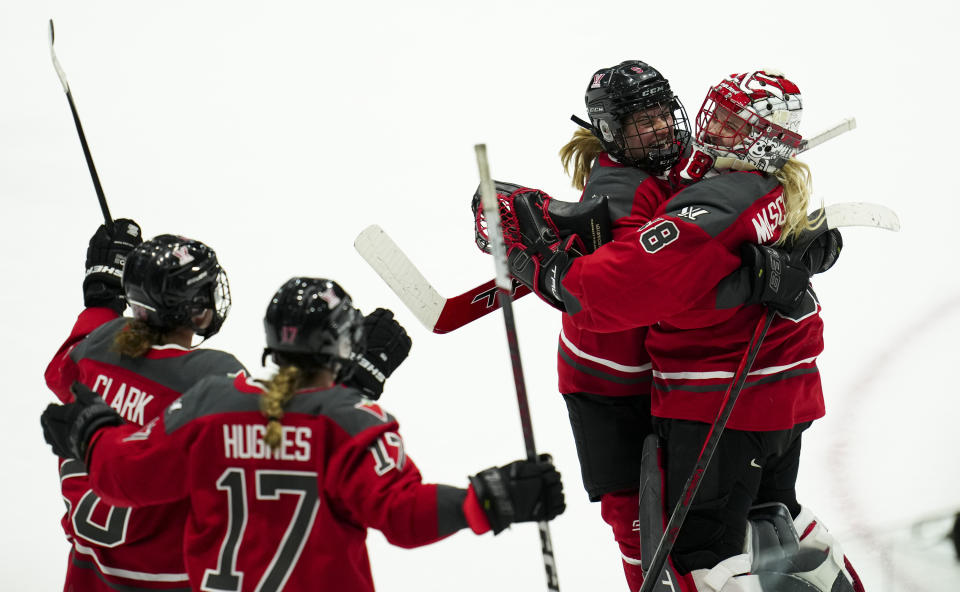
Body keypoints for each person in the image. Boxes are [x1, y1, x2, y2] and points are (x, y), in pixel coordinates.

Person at [499, 70, 860, 591]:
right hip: (611, 387)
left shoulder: (696, 163)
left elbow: (691, 258)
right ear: (609, 130)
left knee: (712, 540)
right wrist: (548, 268)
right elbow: (637, 283)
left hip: (693, 386)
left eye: (665, 114)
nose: (663, 130)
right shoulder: (622, 184)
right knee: (646, 532)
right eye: (642, 122)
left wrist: (801, 246)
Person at [40, 276, 566, 592]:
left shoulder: (210, 405)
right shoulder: (351, 423)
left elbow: (129, 476)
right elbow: (401, 515)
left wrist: (94, 430)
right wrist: (486, 500)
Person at [44, 227, 409, 592]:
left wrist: (100, 298)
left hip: (88, 576)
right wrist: (349, 382)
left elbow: (62, 369)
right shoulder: (209, 379)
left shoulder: (94, 348)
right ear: (197, 311)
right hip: (172, 581)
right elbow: (273, 451)